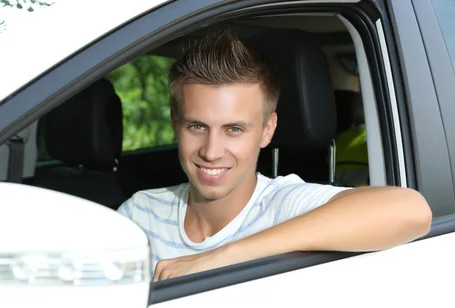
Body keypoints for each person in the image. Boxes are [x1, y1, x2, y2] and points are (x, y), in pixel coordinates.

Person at [117, 30, 432, 282]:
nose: (211, 152)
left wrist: (222, 257)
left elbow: (412, 210)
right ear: (175, 124)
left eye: (234, 129)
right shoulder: (138, 215)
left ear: (267, 130)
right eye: (197, 126)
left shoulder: (284, 206)